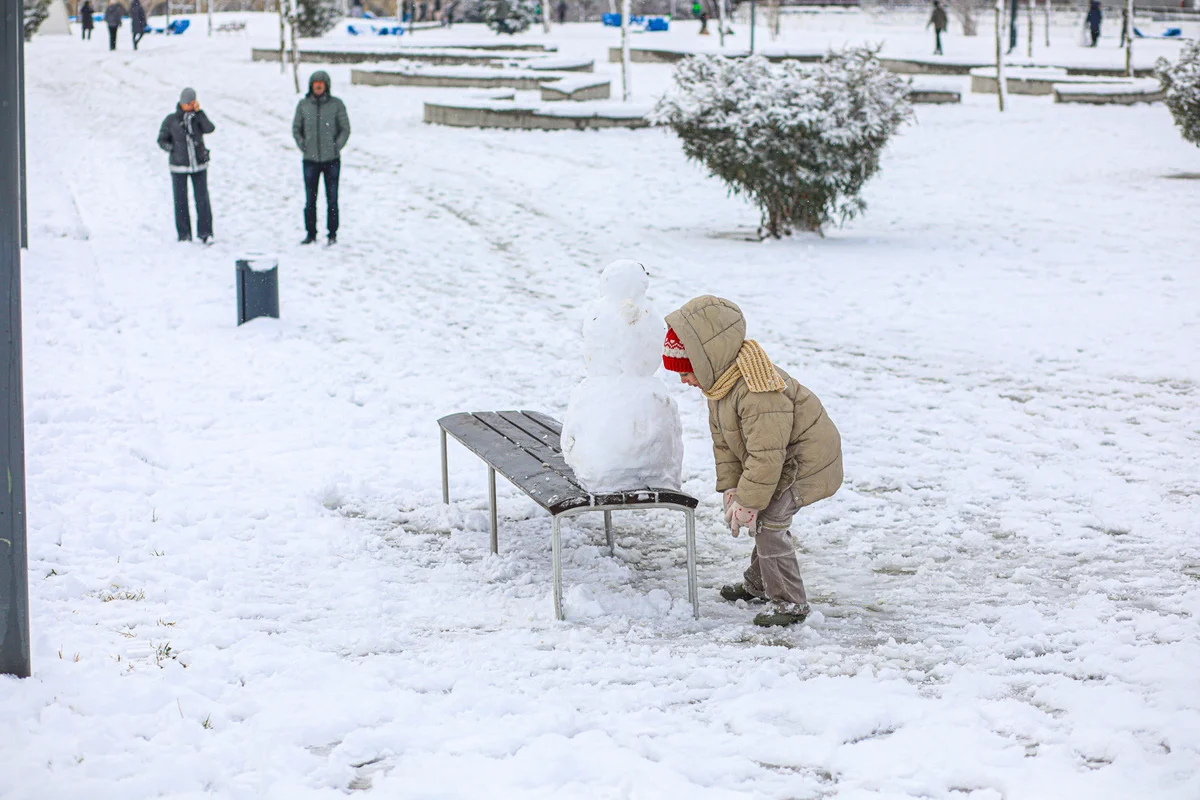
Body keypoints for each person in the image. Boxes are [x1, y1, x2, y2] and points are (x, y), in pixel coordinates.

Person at [662, 296, 843, 628]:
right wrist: (732, 488)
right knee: (764, 519)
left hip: (806, 461)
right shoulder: (720, 386)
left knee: (770, 522)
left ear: (707, 360)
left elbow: (766, 455)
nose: (683, 381)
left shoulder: (758, 390)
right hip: (777, 460)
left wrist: (749, 500)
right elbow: (726, 445)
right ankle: (760, 584)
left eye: (686, 371)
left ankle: (790, 602)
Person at [292, 70, 351, 245]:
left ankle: (332, 234)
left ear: (326, 85)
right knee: (310, 200)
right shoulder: (303, 105)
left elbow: (345, 129)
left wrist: (335, 147)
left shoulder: (336, 105)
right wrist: (304, 145)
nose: (318, 86)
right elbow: (296, 129)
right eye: (315, 83)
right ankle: (310, 233)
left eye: (321, 83)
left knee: (332, 199)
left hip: (331, 160)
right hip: (310, 161)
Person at [158, 88, 215, 243]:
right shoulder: (171, 120)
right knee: (181, 201)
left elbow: (210, 128)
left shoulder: (198, 118)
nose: (189, 105)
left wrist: (200, 113)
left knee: (202, 199)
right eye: (187, 103)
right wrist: (172, 149)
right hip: (179, 167)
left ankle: (205, 232)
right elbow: (162, 139)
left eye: (192, 103)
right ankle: (184, 234)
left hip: (199, 165)